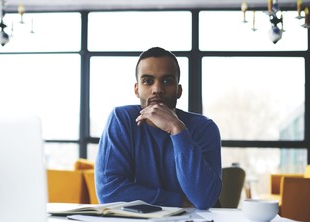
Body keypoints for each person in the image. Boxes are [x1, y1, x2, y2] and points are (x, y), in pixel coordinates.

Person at [95, 47, 222, 210]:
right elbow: (108, 192)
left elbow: (204, 199)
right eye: (148, 81)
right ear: (136, 89)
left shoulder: (204, 127)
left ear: (179, 90)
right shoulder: (122, 119)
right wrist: (177, 201)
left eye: (167, 81)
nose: (157, 89)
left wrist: (177, 130)